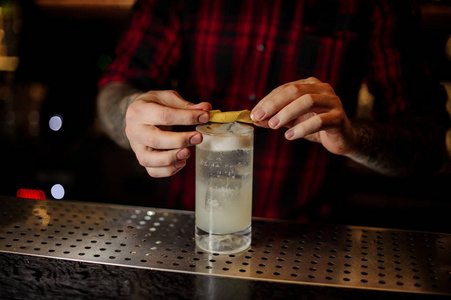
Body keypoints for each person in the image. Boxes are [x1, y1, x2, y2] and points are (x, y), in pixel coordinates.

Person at [96, 0, 449, 221]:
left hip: (311, 240)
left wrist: (353, 138)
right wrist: (129, 111)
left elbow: (426, 145)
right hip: (185, 229)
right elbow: (117, 88)